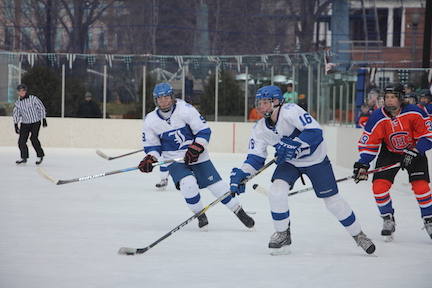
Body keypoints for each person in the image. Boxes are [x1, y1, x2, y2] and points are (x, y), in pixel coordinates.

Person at [230, 85, 375, 255]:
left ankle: (359, 235)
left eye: (265, 102)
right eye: (259, 102)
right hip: (290, 163)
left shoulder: (291, 111)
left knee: (334, 202)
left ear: (277, 102)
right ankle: (283, 233)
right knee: (276, 193)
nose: (260, 106)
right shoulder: (259, 129)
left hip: (316, 160)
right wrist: (243, 173)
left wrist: (295, 144)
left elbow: (315, 132)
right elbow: (255, 158)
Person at [138, 82, 255, 229]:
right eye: (160, 99)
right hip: (174, 159)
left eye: (166, 98)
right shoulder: (150, 120)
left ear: (173, 97)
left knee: (217, 187)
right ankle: (200, 214)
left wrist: (196, 147)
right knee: (188, 185)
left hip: (197, 154)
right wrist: (151, 158)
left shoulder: (186, 109)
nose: (163, 102)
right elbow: (153, 146)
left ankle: (238, 211)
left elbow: (203, 131)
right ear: (155, 101)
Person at [353, 82, 432, 242]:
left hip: (415, 152)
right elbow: (370, 142)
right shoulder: (377, 116)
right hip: (389, 153)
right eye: (387, 97)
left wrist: (415, 151)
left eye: (393, 97)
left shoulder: (416, 112)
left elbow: (428, 135)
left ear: (401, 98)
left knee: (421, 187)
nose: (389, 101)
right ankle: (388, 219)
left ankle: (429, 221)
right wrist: (363, 163)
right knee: (379, 187)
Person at [12, 84, 47, 165]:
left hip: (35, 122)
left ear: (26, 91)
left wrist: (44, 118)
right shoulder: (18, 103)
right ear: (18, 92)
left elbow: (41, 108)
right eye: (20, 91)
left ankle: (40, 155)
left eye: (23, 90)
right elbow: (16, 114)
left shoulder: (33, 99)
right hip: (25, 123)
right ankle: (24, 157)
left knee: (33, 138)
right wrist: (16, 124)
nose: (22, 92)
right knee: (21, 141)